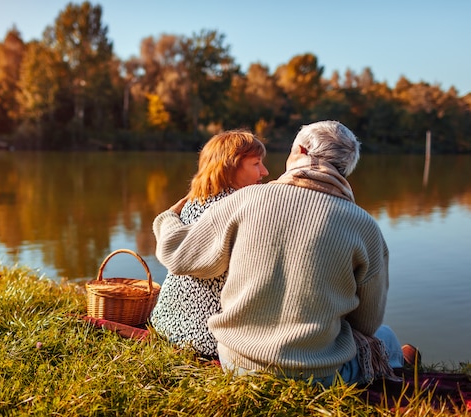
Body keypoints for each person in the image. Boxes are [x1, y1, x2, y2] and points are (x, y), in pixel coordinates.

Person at [152, 120, 404, 386]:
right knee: (386, 337)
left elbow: (177, 255)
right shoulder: (365, 227)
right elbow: (366, 324)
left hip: (237, 363)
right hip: (319, 376)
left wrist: (167, 218)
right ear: (345, 168)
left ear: (301, 152)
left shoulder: (245, 199)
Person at [150, 129, 269, 358]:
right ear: (230, 166)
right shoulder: (237, 210)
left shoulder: (194, 202)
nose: (264, 171)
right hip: (206, 337)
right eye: (256, 164)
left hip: (164, 322)